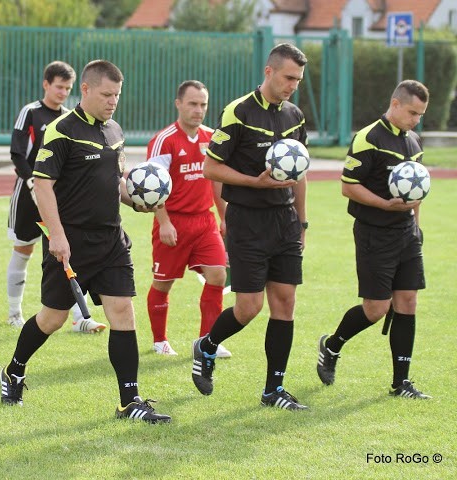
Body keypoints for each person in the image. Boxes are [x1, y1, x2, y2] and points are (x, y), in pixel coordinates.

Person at [0, 60, 171, 423]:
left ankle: (130, 401)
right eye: (107, 94)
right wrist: (57, 237)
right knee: (53, 318)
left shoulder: (114, 131)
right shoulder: (62, 130)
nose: (113, 102)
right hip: (71, 243)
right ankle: (14, 369)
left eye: (117, 96)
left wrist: (137, 201)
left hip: (111, 240)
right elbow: (42, 184)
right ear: (87, 90)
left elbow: (115, 182)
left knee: (123, 312)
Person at [191, 43, 309, 410]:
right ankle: (206, 346)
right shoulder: (238, 112)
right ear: (269, 72)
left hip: (285, 221)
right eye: (289, 77)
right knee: (249, 307)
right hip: (248, 220)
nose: (293, 85)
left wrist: (302, 222)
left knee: (285, 303)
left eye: (298, 80)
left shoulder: (295, 116)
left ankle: (273, 390)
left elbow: (299, 174)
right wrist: (253, 182)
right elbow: (211, 168)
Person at [317, 80, 431, 399]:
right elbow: (348, 186)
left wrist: (416, 228)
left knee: (408, 302)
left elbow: (416, 195)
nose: (415, 120)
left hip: (406, 233)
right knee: (377, 307)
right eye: (412, 112)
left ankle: (401, 383)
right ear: (395, 104)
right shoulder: (368, 138)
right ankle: (332, 345)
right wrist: (384, 204)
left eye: (420, 114)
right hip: (374, 233)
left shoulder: (414, 142)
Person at [6, 61, 106, 334]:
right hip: (28, 197)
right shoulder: (31, 112)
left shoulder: (69, 118)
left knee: (67, 253)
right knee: (23, 250)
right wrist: (30, 181)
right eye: (59, 87)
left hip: (60, 199)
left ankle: (80, 318)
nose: (63, 92)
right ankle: (14, 313)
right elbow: (17, 151)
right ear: (46, 84)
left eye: (68, 88)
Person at [145, 80, 231, 358]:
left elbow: (217, 182)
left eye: (203, 104)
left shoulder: (212, 138)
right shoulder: (164, 139)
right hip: (173, 221)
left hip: (204, 222)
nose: (198, 110)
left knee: (217, 275)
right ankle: (160, 341)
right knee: (163, 283)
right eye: (192, 104)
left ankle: (207, 342)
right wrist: (165, 221)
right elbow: (152, 185)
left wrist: (224, 217)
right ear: (178, 104)